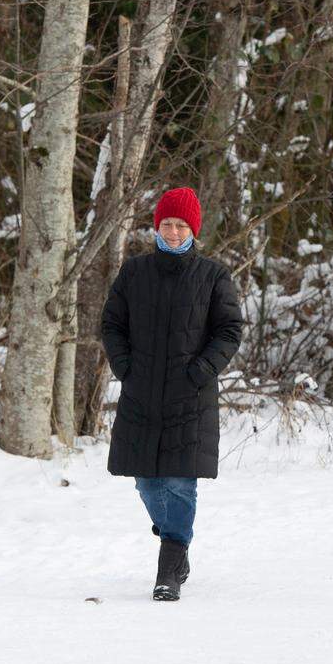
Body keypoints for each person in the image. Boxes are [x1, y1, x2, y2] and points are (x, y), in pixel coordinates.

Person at [99, 186, 244, 601]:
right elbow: (112, 324)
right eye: (167, 224)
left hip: (190, 396)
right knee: (147, 482)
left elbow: (229, 331)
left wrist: (200, 371)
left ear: (193, 229)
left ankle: (172, 561)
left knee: (179, 482)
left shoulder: (213, 276)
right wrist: (125, 366)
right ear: (156, 226)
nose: (174, 232)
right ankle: (174, 538)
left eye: (182, 225)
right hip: (142, 393)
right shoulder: (134, 272)